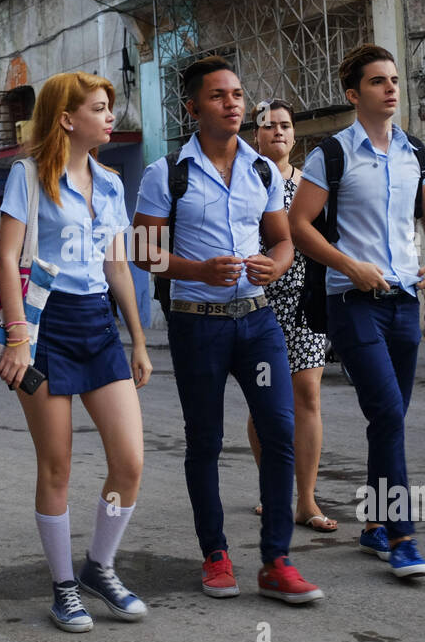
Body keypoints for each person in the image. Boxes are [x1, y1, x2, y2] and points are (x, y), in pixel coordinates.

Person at [132, 56, 324, 605]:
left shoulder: (261, 170)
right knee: (206, 442)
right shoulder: (167, 173)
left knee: (280, 433)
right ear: (193, 108)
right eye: (218, 96)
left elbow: (282, 239)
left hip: (258, 320)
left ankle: (276, 560)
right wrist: (197, 271)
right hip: (198, 326)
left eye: (238, 94)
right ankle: (215, 555)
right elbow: (143, 252)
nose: (233, 103)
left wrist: (279, 263)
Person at [288, 44, 425, 578]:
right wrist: (349, 265)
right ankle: (402, 536)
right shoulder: (331, 155)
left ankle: (374, 524)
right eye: (378, 81)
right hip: (352, 303)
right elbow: (299, 225)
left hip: (405, 302)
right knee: (386, 412)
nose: (391, 88)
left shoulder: (415, 153)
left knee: (391, 419)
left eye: (394, 80)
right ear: (353, 94)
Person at [0, 72, 153, 632]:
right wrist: (18, 336)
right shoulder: (29, 176)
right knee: (56, 465)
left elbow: (117, 266)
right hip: (44, 326)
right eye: (99, 108)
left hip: (99, 326)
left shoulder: (110, 183)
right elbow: (9, 256)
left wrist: (136, 337)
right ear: (67, 118)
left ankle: (99, 566)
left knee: (129, 460)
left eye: (110, 108)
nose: (110, 116)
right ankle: (64, 585)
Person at [245, 100, 336, 533]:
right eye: (269, 126)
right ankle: (272, 492)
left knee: (308, 398)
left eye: (285, 125)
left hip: (303, 301)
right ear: (256, 135)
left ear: (294, 135)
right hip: (257, 303)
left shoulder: (310, 185)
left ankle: (306, 499)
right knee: (265, 402)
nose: (277, 131)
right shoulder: (246, 180)